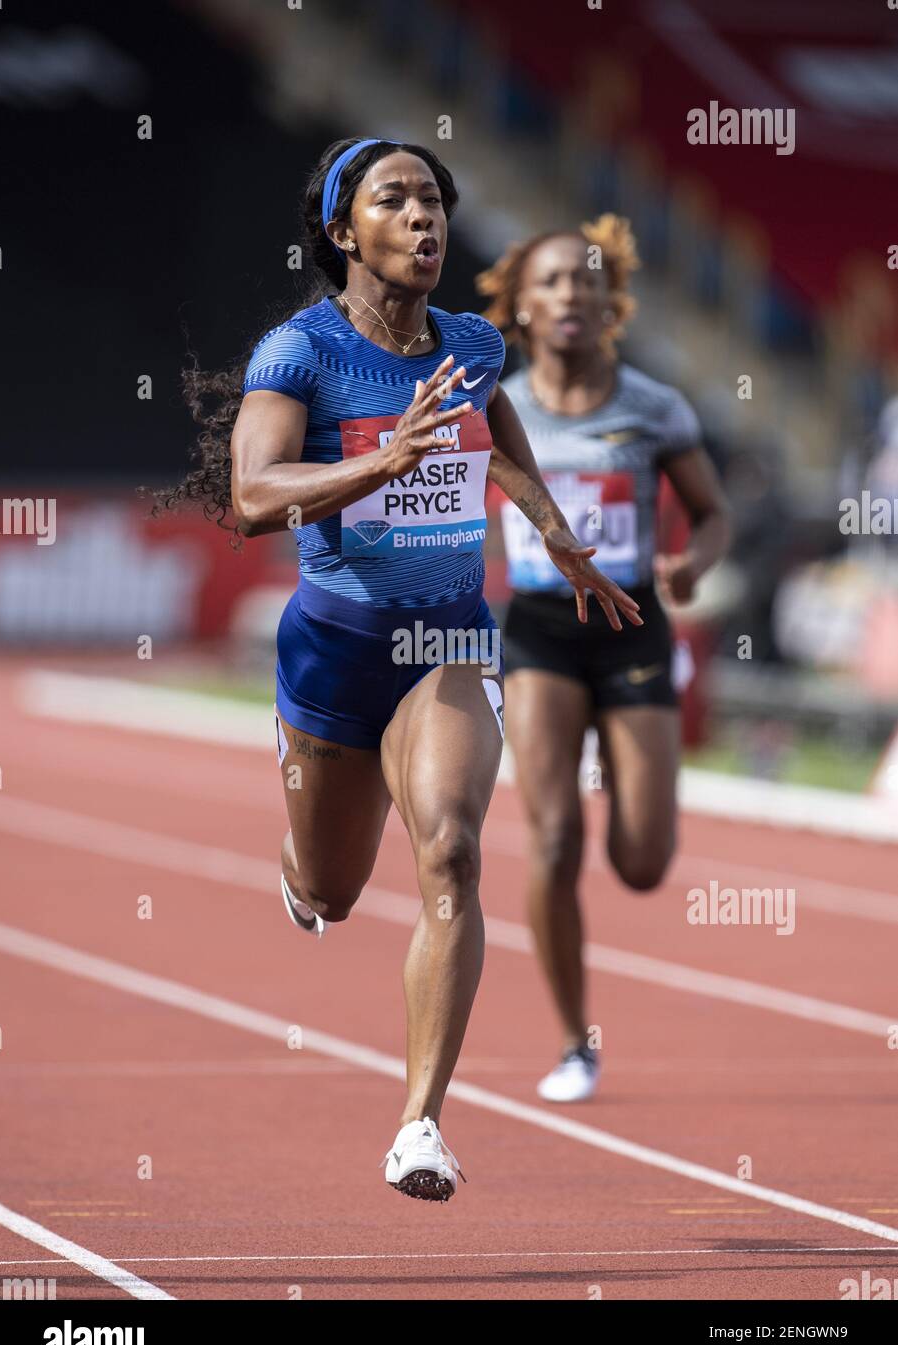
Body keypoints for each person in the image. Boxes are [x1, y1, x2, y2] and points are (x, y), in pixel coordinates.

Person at [152, 140, 642, 1199]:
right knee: (332, 889)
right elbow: (249, 496)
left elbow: (491, 426)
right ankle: (298, 859)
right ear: (343, 233)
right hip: (337, 648)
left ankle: (419, 1124)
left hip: (449, 641)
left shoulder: (468, 340)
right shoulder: (301, 353)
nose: (424, 218)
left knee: (455, 853)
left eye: (433, 199)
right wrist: (383, 457)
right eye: (395, 199)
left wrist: (550, 530)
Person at [477, 215, 731, 1102]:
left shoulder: (653, 406)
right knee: (551, 836)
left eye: (584, 280)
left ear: (608, 299)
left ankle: (627, 786)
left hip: (633, 631)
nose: (569, 295)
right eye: (548, 282)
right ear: (519, 305)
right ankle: (572, 1043)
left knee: (641, 860)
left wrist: (691, 564)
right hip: (541, 634)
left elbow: (713, 513)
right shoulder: (495, 406)